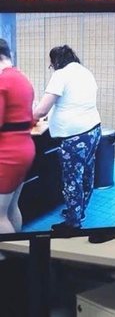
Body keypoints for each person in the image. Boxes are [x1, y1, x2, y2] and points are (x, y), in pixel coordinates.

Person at [33, 45, 101, 233]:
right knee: (86, 175)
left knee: (72, 179)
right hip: (93, 131)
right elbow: (71, 102)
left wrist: (26, 118)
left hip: (75, 137)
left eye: (51, 64)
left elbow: (41, 110)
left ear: (56, 61)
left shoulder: (61, 74)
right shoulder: (84, 72)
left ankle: (73, 224)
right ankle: (78, 212)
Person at [0, 39, 35, 234]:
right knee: (12, 207)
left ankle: (8, 253)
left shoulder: (2, 81)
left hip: (8, 153)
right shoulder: (22, 77)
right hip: (25, 148)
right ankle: (20, 248)